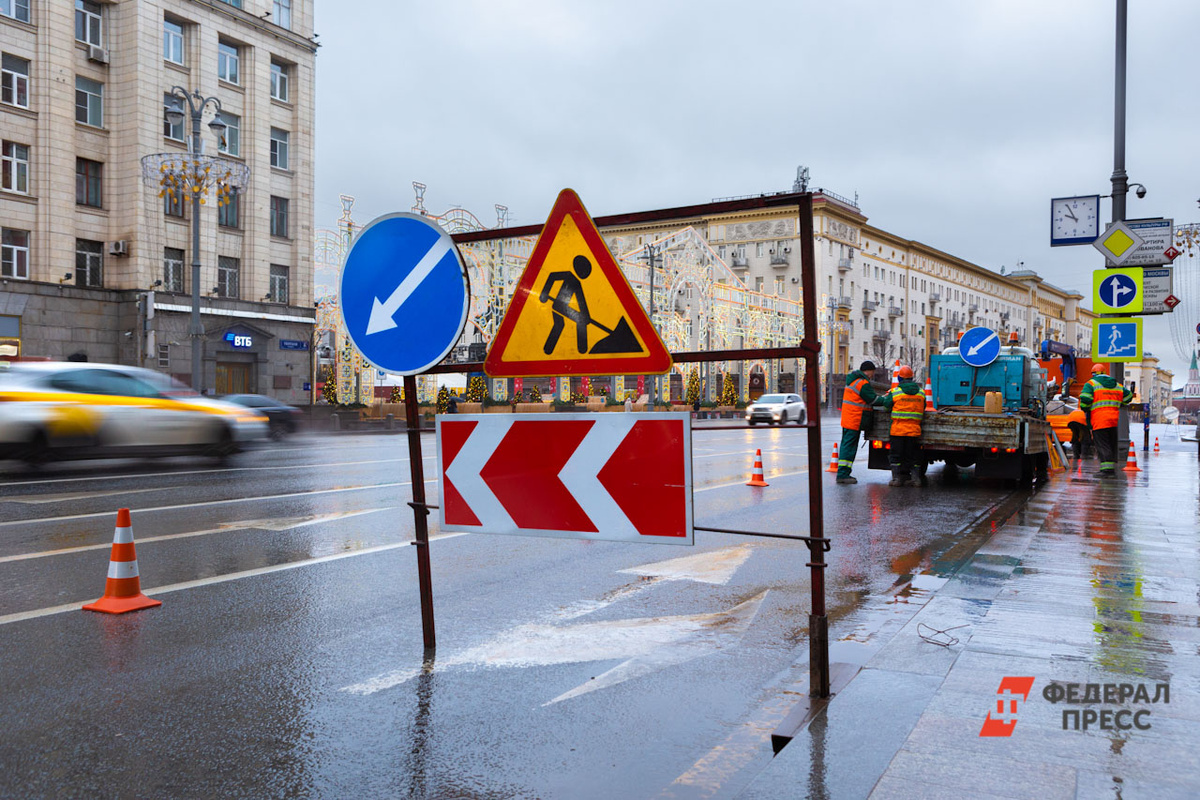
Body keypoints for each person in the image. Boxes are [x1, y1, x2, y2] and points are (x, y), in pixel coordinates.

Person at [1079, 363, 1133, 476]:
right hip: (1113, 419)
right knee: (1111, 444)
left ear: (1093, 374)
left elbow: (1085, 399)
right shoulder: (1116, 385)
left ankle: (1107, 470)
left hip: (1099, 419)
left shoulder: (1091, 384)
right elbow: (1128, 397)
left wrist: (1085, 408)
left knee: (1102, 445)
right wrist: (1119, 403)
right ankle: (1110, 468)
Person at [836, 360, 880, 485]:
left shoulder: (853, 380)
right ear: (869, 370)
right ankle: (843, 474)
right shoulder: (862, 383)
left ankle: (843, 473)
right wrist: (887, 400)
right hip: (855, 419)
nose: (872, 375)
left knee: (846, 446)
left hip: (849, 418)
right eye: (872, 372)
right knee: (849, 448)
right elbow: (873, 399)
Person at [881, 364, 926, 486]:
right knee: (913, 455)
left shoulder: (895, 392)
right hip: (914, 431)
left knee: (896, 455)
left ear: (900, 379)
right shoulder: (921, 393)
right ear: (912, 378)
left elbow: (886, 406)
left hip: (898, 431)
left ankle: (896, 479)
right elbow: (924, 408)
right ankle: (916, 479)